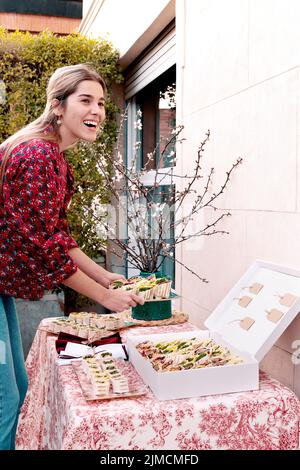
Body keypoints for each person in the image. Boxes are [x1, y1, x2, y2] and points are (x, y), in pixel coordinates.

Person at [0, 63, 144, 450]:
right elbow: (42, 247)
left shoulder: (53, 156)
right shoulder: (37, 155)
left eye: (100, 102)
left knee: (18, 388)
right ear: (58, 106)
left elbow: (57, 234)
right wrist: (106, 299)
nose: (97, 110)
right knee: (5, 400)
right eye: (85, 100)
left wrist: (103, 277)